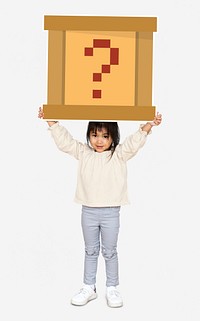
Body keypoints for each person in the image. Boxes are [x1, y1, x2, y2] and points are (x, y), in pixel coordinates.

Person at [38, 107, 162, 307]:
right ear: (88, 135)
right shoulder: (84, 153)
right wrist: (51, 121)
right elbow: (65, 142)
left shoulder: (119, 155)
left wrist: (149, 125)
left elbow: (134, 142)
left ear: (113, 137)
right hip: (88, 210)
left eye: (105, 136)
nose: (99, 140)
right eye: (94, 135)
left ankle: (112, 288)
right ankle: (89, 287)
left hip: (111, 212)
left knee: (110, 250)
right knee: (90, 250)